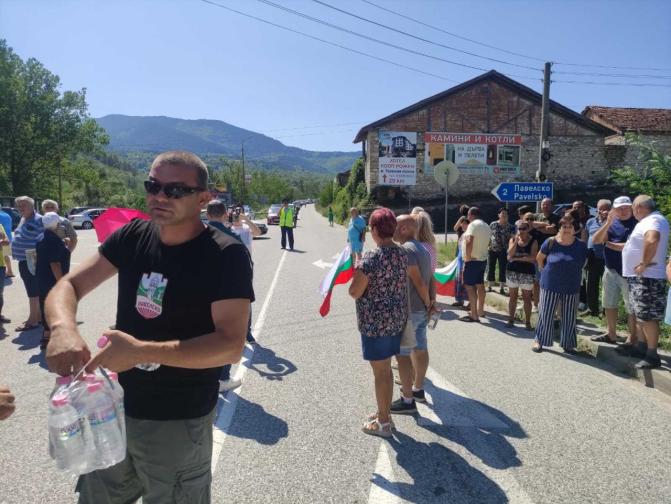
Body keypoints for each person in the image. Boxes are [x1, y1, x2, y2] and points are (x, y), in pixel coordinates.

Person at [45, 150, 254, 503]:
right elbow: (69, 285)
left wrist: (140, 352)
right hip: (111, 411)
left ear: (204, 198)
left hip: (176, 421)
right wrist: (63, 327)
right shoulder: (133, 235)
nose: (159, 196)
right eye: (153, 186)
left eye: (174, 190)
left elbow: (230, 345)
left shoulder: (225, 254)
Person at [349, 208, 407, 438]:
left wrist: (356, 272)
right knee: (386, 370)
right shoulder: (402, 254)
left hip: (375, 324)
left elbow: (355, 292)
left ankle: (383, 422)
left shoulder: (371, 259)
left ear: (373, 230)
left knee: (381, 372)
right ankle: (384, 413)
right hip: (396, 320)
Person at [205, 200, 257, 392]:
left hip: (203, 295)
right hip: (226, 294)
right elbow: (244, 265)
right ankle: (223, 378)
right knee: (225, 337)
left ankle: (207, 376)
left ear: (208, 214)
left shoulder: (196, 234)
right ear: (225, 214)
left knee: (206, 336)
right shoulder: (232, 236)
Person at [391, 215, 435, 415]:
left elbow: (418, 281)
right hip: (420, 310)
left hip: (409, 311)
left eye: (395, 225)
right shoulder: (423, 249)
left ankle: (407, 400)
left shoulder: (406, 250)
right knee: (421, 348)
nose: (392, 229)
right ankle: (418, 390)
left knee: (403, 355)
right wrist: (430, 304)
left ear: (404, 228)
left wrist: (427, 302)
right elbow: (431, 279)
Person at [621, 195, 670, 369]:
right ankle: (641, 347)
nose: (633, 211)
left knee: (648, 317)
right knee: (641, 315)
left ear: (639, 207)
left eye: (633, 207)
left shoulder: (654, 220)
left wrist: (644, 263)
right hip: (640, 278)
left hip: (648, 278)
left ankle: (652, 354)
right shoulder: (649, 220)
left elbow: (652, 239)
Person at [532, 214, 587, 354]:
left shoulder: (580, 245)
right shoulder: (551, 242)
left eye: (570, 226)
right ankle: (539, 340)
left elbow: (582, 263)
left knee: (569, 316)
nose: (567, 229)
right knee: (546, 313)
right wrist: (544, 270)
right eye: (564, 226)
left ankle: (568, 344)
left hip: (571, 285)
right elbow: (540, 258)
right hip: (550, 284)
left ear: (575, 229)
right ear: (560, 228)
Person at [591, 196, 638, 346]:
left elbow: (629, 246)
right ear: (614, 210)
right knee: (609, 304)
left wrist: (609, 244)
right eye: (619, 208)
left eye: (626, 207)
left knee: (631, 307)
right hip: (610, 269)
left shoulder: (638, 223)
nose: (623, 211)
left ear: (631, 208)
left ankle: (632, 339)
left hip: (629, 272)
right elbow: (596, 240)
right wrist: (608, 223)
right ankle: (611, 334)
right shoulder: (612, 223)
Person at [36, 212, 71, 350]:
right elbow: (54, 263)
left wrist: (64, 245)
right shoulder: (54, 241)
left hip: (42, 278)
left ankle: (46, 336)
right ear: (56, 224)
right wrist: (61, 282)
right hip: (52, 281)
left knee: (45, 306)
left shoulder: (41, 237)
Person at [11, 196, 44, 332]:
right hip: (24, 260)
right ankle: (39, 317)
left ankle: (33, 321)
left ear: (32, 205)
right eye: (18, 205)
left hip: (32, 260)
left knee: (32, 291)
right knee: (34, 290)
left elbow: (47, 237)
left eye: (23, 205)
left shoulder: (39, 219)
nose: (20, 208)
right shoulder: (24, 218)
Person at [460, 207, 491, 323]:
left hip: (472, 260)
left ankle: (474, 314)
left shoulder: (473, 225)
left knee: (469, 286)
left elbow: (469, 241)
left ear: (471, 215)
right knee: (480, 284)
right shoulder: (486, 225)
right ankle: (480, 310)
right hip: (482, 259)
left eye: (468, 215)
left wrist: (467, 259)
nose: (467, 217)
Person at [506, 220, 538, 330]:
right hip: (512, 272)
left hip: (527, 273)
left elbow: (533, 258)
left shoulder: (533, 241)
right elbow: (509, 254)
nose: (521, 231)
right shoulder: (513, 239)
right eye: (519, 229)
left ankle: (528, 322)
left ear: (528, 229)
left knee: (527, 298)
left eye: (524, 228)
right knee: (512, 297)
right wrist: (515, 242)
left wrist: (515, 258)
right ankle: (511, 319)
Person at [581, 199, 611, 317]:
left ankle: (605, 311)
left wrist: (608, 221)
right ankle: (592, 308)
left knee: (606, 285)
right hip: (592, 258)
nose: (602, 211)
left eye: (605, 209)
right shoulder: (590, 222)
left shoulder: (612, 222)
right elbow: (585, 237)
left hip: (607, 258)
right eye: (600, 208)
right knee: (591, 284)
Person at [488, 208, 514, 294]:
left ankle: (502, 287)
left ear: (508, 216)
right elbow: (489, 235)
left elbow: (512, 238)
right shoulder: (493, 224)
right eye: (502, 214)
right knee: (491, 267)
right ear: (498, 215)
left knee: (502, 268)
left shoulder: (510, 227)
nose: (503, 215)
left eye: (505, 214)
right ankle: (490, 285)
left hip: (504, 250)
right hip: (492, 249)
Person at [451, 216, 470, 308]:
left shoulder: (470, 234)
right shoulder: (462, 234)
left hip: (465, 260)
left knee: (467, 282)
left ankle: (471, 302)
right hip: (460, 260)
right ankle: (460, 300)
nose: (462, 225)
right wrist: (461, 218)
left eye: (465, 223)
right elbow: (455, 227)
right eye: (462, 223)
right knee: (459, 281)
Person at [0, 207, 15, 277]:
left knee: (3, 256)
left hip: (2, 238)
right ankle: (10, 271)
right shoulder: (7, 215)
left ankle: (9, 272)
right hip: (8, 237)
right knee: (5, 255)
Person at [0, 225, 10, 324]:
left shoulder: (0, 226)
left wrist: (4, 241)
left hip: (1, 264)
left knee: (0, 292)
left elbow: (6, 241)